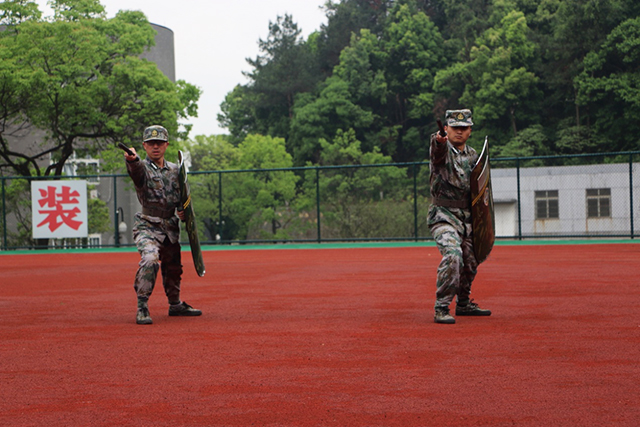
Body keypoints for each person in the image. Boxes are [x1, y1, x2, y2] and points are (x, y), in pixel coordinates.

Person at [122, 125, 202, 325]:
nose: (155, 147)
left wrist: (183, 212)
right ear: (144, 146)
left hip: (170, 226)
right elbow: (136, 168)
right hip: (147, 225)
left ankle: (175, 304)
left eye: (159, 143)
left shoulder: (176, 170)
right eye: (150, 143)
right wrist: (131, 160)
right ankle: (142, 306)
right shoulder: (142, 169)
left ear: (166, 145)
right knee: (150, 260)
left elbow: (182, 198)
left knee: (174, 266)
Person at [428, 109, 491, 324]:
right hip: (443, 216)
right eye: (455, 128)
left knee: (472, 260)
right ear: (446, 128)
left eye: (464, 128)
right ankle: (442, 307)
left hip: (467, 218)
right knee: (453, 255)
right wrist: (438, 141)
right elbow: (437, 150)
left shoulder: (474, 156)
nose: (459, 132)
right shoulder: (442, 150)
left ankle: (463, 303)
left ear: (470, 130)